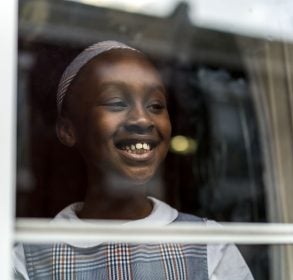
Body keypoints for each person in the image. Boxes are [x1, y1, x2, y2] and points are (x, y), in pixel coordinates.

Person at [13, 41, 254, 280]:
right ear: (68, 130)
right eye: (117, 103)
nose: (142, 119)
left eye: (156, 105)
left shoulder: (208, 247)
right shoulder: (30, 259)